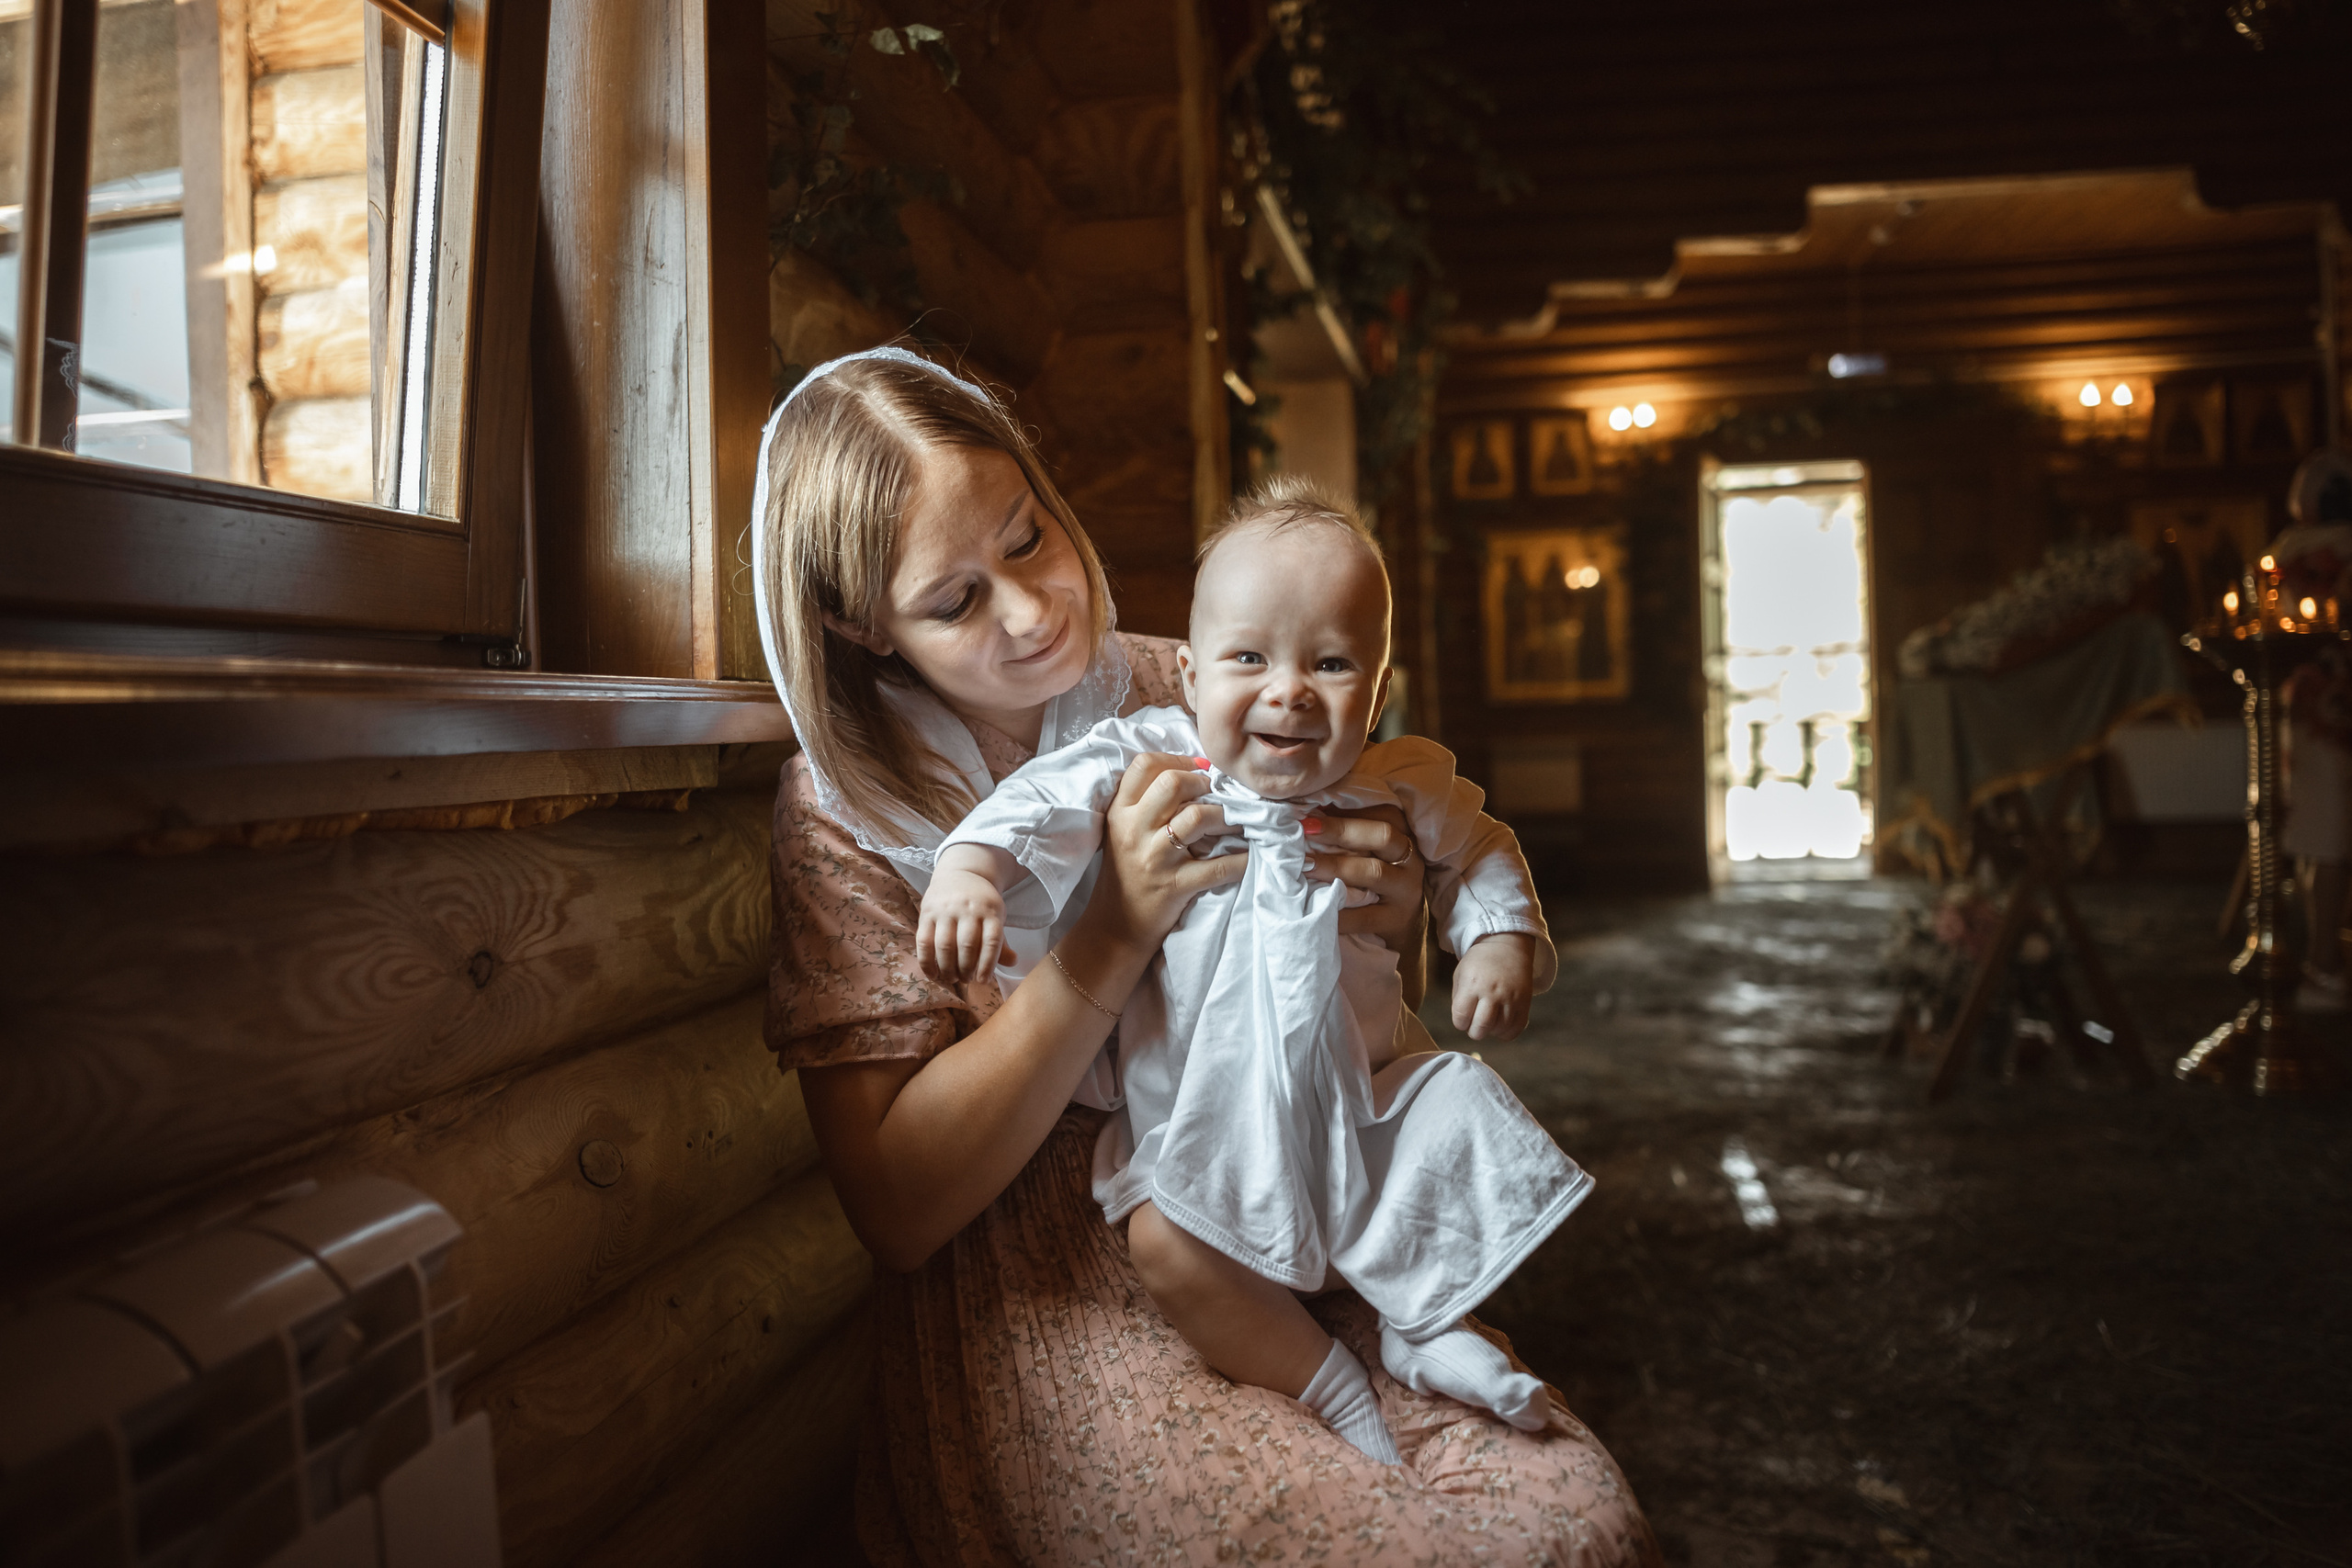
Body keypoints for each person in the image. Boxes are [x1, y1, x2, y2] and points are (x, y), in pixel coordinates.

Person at [754, 345, 1661, 1564]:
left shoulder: (1206, 670)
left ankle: (1398, 1335)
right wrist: (1111, 933)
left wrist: (1394, 912)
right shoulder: (846, 811)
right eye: (956, 601)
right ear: (856, 623)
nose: (1031, 609)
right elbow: (901, 1212)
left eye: (1027, 537)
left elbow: (1358, 977)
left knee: (1577, 1524)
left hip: (1289, 1159)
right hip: (1044, 1277)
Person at [916, 479, 1588, 1460]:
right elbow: (1038, 801)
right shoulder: (1155, 759)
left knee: (1455, 1108)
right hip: (1209, 1140)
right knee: (1162, 1240)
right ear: (1189, 678)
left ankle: (1423, 1327)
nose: (1289, 690)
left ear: (1378, 692)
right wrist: (969, 872)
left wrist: (1494, 940)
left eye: (1331, 662)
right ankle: (1333, 1388)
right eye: (1249, 658)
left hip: (1363, 1113)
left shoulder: (1400, 778)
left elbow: (1480, 847)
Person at [2277, 451, 2352, 1011]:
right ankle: (2324, 963)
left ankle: (2325, 964)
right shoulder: (2322, 552)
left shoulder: (2286, 553)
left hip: (2311, 708)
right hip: (2329, 709)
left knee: (2320, 837)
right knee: (2326, 836)